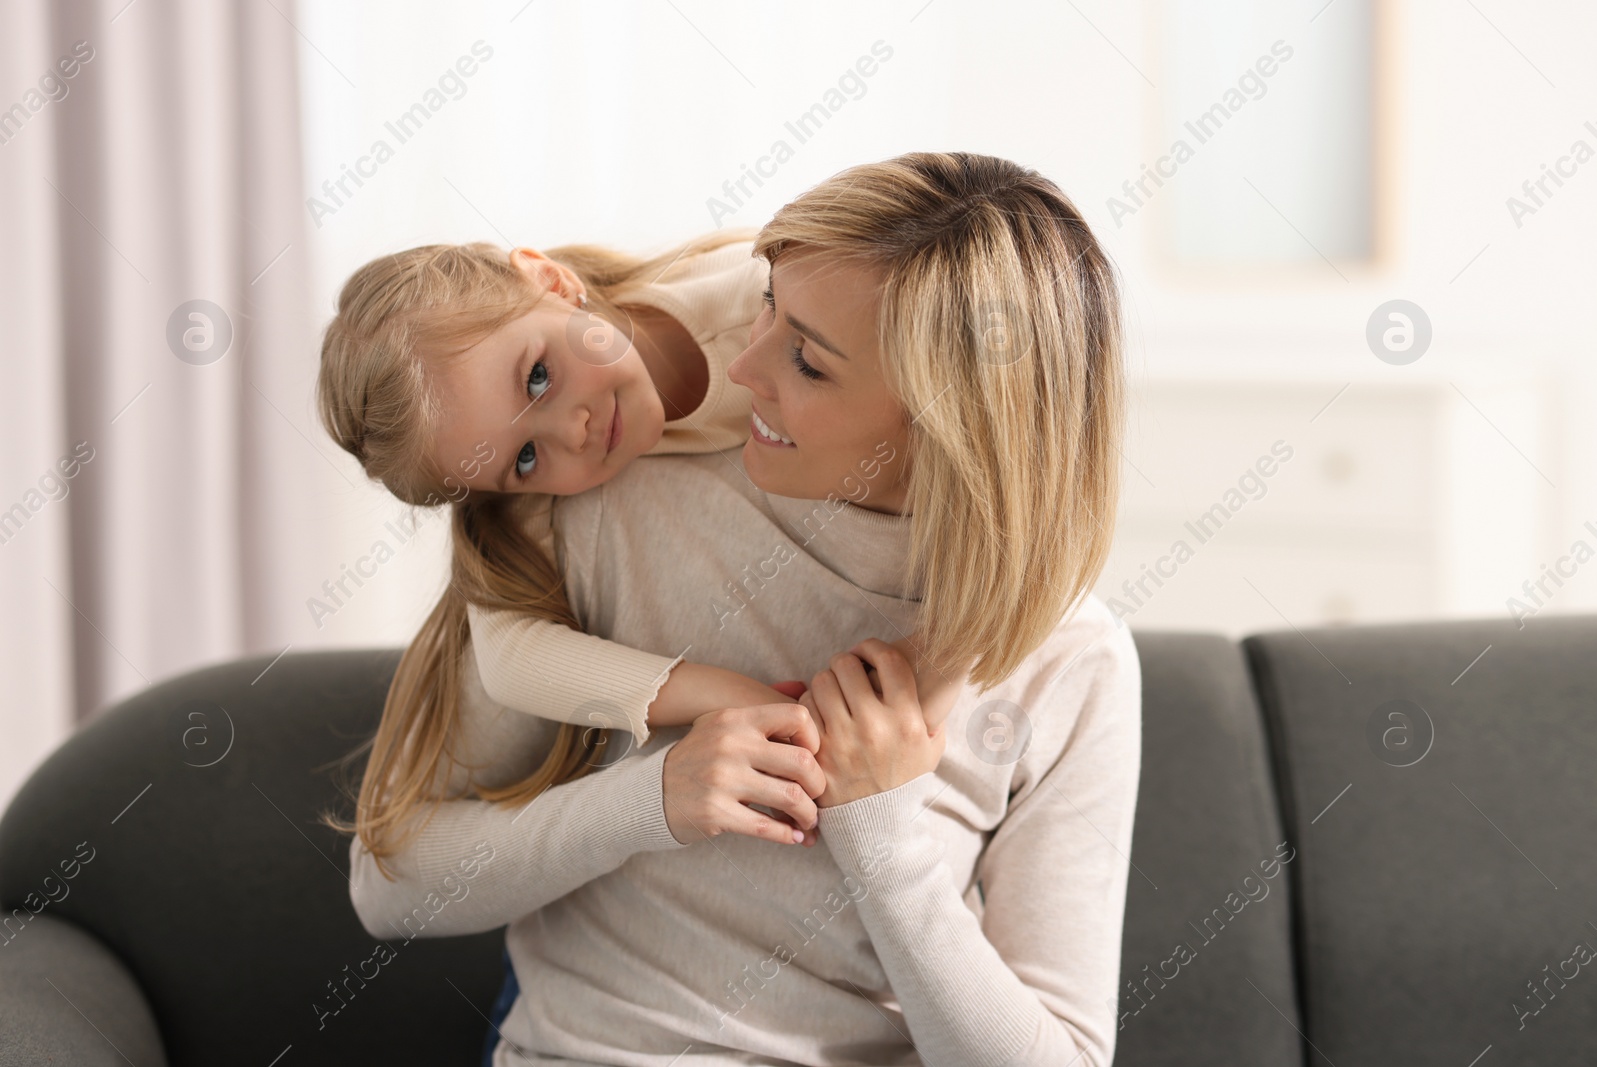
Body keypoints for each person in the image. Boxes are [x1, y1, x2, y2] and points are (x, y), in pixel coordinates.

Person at [342, 151, 1140, 1067]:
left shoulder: (1073, 661)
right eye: (767, 304)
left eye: (805, 357)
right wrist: (653, 797)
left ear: (948, 418)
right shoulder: (596, 510)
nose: (742, 365)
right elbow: (394, 881)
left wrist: (883, 837)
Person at [315, 229, 960, 875]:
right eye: (526, 456)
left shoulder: (759, 299)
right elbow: (508, 660)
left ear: (551, 280)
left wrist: (927, 689)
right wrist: (728, 695)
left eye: (537, 376)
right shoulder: (549, 510)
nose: (573, 429)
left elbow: (1010, 485)